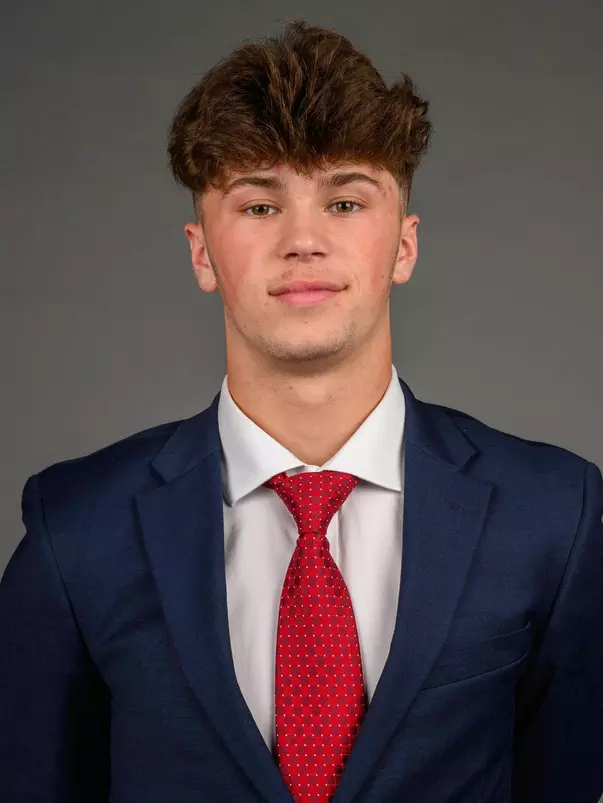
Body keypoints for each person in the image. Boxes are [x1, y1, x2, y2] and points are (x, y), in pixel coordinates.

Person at [1, 18, 602, 803]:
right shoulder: (76, 530)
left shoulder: (553, 516)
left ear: (404, 245)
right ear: (200, 253)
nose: (304, 240)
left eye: (347, 201)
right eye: (257, 207)